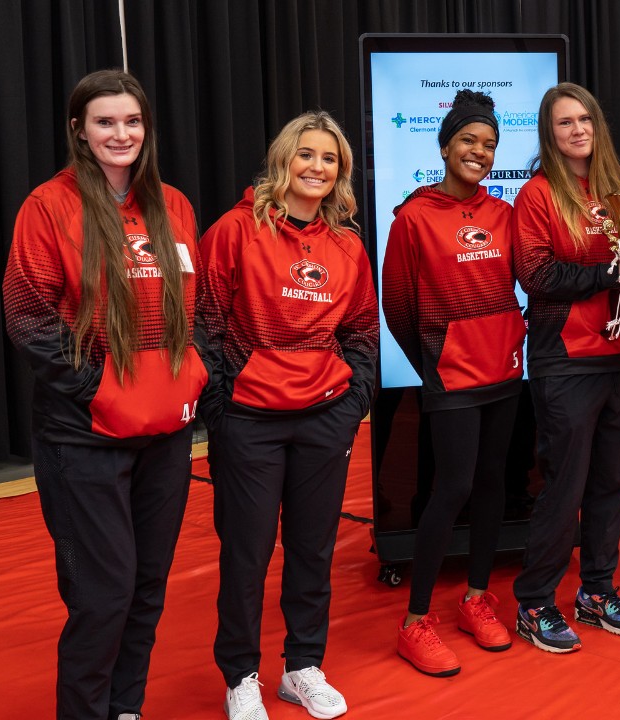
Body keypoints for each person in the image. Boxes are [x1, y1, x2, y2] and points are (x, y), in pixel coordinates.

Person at [2, 68, 206, 720]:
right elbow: (29, 316)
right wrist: (101, 389)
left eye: (133, 121)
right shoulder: (49, 206)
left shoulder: (172, 205)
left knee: (147, 586)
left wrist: (191, 374)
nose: (122, 133)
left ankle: (125, 707)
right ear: (78, 131)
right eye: (105, 122)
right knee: (103, 592)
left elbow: (193, 308)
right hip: (83, 435)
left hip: (165, 434)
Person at [199, 111, 377, 720]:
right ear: (282, 160)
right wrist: (221, 407)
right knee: (246, 554)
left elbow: (361, 332)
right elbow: (204, 321)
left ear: (341, 172)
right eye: (306, 155)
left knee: (313, 549)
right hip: (249, 418)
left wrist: (353, 402)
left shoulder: (348, 244)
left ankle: (301, 666)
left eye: (329, 159)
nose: (317, 168)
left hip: (324, 415)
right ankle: (240, 676)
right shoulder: (233, 230)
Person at [381, 90, 524, 677]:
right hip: (451, 371)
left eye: (489, 144)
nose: (480, 152)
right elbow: (398, 307)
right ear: (445, 146)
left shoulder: (503, 214)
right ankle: (415, 620)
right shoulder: (413, 216)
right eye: (469, 140)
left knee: (493, 483)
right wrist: (434, 363)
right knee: (453, 486)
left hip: (503, 369)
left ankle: (476, 598)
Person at [511, 83, 620, 654]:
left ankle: (596, 590)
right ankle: (536, 601)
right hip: (565, 359)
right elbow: (537, 277)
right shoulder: (538, 194)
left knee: (613, 482)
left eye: (585, 119)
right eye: (565, 123)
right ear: (550, 132)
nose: (578, 130)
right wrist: (611, 272)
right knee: (564, 486)